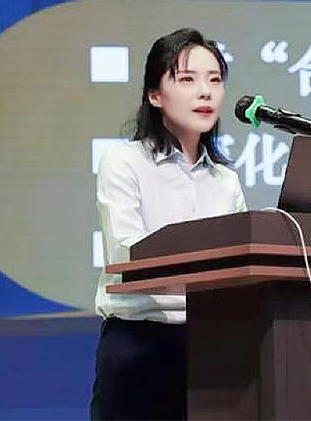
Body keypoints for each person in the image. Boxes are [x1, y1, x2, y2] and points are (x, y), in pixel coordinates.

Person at [90, 28, 248, 420]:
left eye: (215, 80)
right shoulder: (124, 162)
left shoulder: (226, 181)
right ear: (154, 95)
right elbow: (126, 254)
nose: (206, 92)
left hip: (214, 347)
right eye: (188, 79)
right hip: (139, 346)